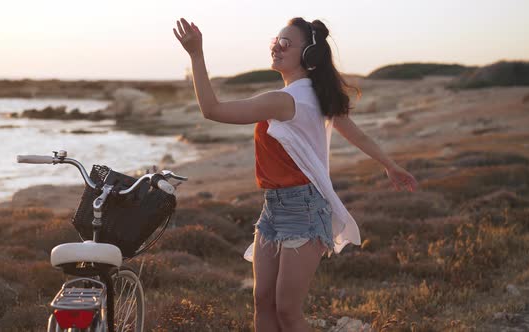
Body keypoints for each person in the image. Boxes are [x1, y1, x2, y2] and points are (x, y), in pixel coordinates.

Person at [173, 17, 418, 332]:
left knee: (287, 311)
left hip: (303, 208)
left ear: (310, 55)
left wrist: (196, 55)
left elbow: (212, 110)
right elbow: (359, 136)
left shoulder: (285, 100)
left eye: (286, 43)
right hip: (273, 207)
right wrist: (389, 164)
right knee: (263, 301)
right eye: (276, 40)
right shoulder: (311, 96)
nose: (276, 46)